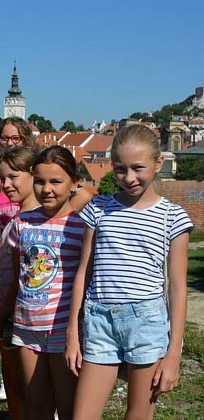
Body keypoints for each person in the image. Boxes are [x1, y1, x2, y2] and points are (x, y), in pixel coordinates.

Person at [65, 125, 193, 420]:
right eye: (120, 169)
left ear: (158, 164)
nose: (129, 178)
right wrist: (73, 332)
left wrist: (173, 354)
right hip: (99, 321)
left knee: (138, 413)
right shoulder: (98, 208)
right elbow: (83, 271)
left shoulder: (172, 217)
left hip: (146, 323)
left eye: (138, 168)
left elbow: (177, 287)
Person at [3, 146, 84, 420]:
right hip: (27, 327)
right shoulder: (22, 223)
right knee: (36, 405)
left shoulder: (82, 226)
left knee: (69, 405)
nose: (47, 189)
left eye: (56, 181)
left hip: (63, 330)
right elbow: (19, 275)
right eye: (40, 181)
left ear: (74, 183)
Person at [0, 146, 41, 420]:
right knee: (11, 382)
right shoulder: (18, 217)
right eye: (2, 178)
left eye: (13, 176)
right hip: (7, 313)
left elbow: (22, 278)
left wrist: (0, 313)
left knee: (24, 386)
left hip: (16, 314)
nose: (6, 184)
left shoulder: (33, 221)